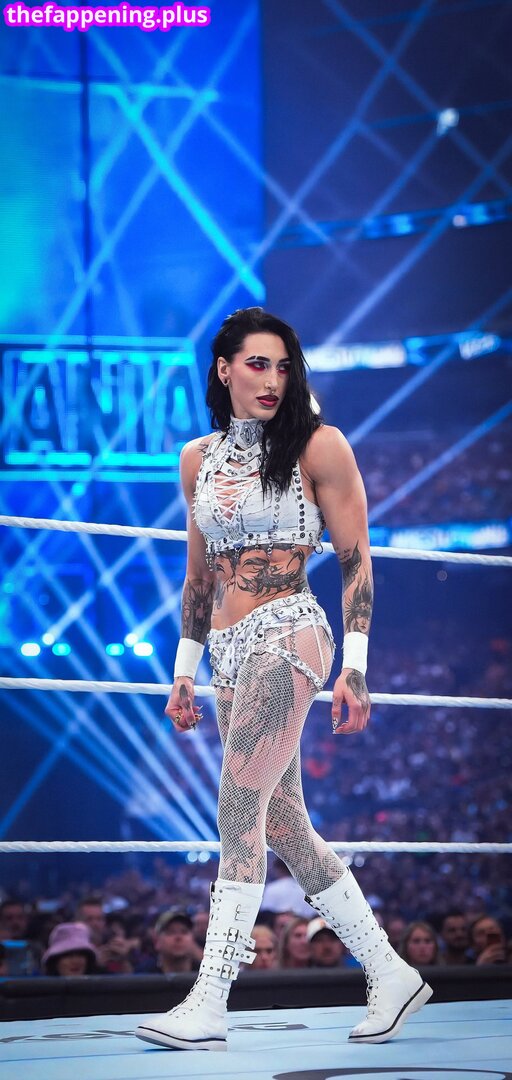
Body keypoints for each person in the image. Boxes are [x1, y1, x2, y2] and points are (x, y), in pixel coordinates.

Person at [135, 307, 432, 1051]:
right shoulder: (197, 458)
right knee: (284, 824)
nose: (272, 379)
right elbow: (198, 576)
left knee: (238, 807)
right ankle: (391, 971)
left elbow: (357, 560)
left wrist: (356, 667)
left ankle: (210, 1001)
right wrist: (184, 670)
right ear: (224, 369)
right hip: (227, 650)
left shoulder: (319, 444)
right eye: (257, 364)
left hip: (289, 632)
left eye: (283, 366)